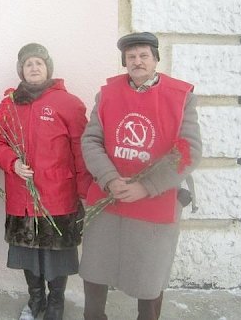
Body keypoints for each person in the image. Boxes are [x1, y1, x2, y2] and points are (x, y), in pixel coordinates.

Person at [79, 32, 202, 320]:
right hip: (111, 194)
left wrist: (145, 186)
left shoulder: (182, 97)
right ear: (125, 62)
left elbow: (189, 151)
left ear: (156, 59)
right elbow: (91, 141)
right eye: (131, 57)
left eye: (144, 55)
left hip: (155, 199)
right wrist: (110, 178)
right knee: (96, 267)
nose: (137, 61)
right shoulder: (107, 94)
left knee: (149, 275)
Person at [0, 43, 92, 320]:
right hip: (22, 195)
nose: (34, 68)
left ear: (48, 68)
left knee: (57, 253)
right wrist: (11, 162)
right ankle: (36, 299)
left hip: (58, 195)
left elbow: (80, 149)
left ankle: (56, 302)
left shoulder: (68, 103)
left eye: (39, 63)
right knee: (28, 252)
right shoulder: (9, 105)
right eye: (28, 64)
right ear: (21, 70)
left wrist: (85, 191)